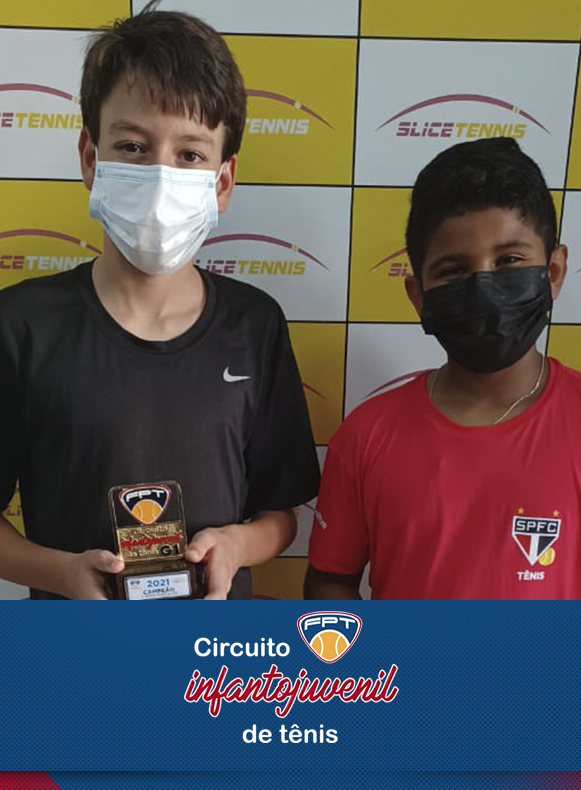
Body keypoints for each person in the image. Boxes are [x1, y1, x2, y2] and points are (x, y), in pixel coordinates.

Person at [0, 2, 319, 600]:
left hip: (213, 652)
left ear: (222, 182)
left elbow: (281, 515)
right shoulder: (21, 327)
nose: (160, 175)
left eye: (190, 154)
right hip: (72, 650)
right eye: (132, 146)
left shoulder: (255, 324)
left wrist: (237, 546)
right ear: (91, 159)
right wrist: (62, 574)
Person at [305, 136, 581, 600]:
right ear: (419, 297)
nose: (484, 287)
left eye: (510, 260)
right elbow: (330, 579)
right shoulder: (366, 435)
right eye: (454, 270)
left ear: (552, 273)